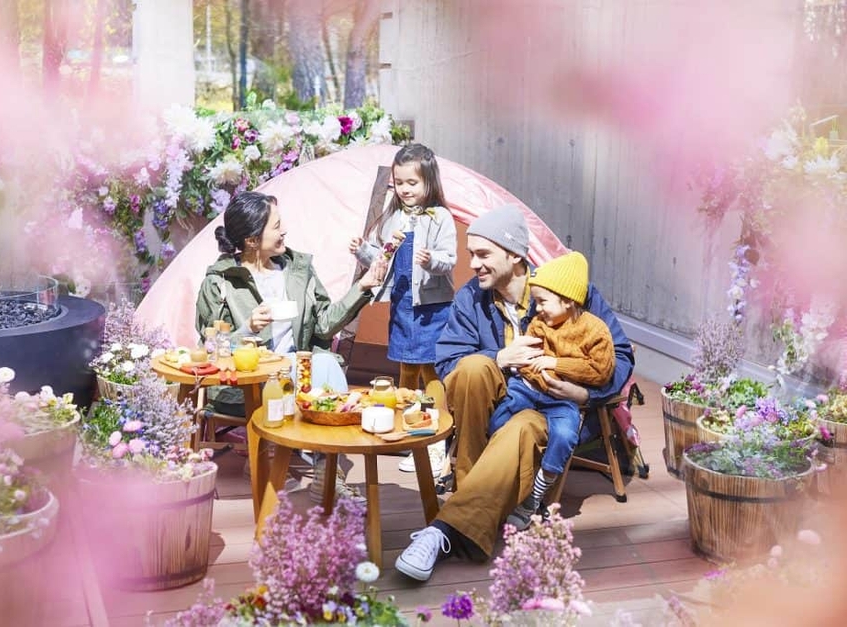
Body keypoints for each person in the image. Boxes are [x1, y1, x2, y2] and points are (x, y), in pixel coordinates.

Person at [393, 203, 634, 582]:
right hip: (493, 405)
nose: (473, 264)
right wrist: (501, 357)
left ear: (515, 255)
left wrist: (585, 395)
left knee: (522, 428)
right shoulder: (471, 298)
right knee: (473, 368)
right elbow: (448, 362)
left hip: (548, 408)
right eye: (471, 254)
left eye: (483, 254)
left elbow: (619, 355)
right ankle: (472, 506)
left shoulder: (568, 290)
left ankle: (444, 529)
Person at [195, 191, 387, 503]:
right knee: (310, 369)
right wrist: (248, 328)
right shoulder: (221, 282)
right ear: (252, 240)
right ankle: (281, 458)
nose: (284, 231)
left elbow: (323, 325)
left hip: (298, 370)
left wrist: (361, 288)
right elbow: (210, 346)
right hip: (249, 380)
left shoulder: (298, 270)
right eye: (276, 226)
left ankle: (327, 474)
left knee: (325, 363)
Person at [349, 144, 456, 478]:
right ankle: (410, 431)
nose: (406, 189)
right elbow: (383, 259)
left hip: (431, 306)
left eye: (413, 182)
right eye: (399, 183)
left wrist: (431, 260)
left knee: (431, 370)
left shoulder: (440, 217)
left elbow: (449, 259)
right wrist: (363, 251)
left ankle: (435, 439)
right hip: (403, 302)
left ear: (429, 182)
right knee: (406, 368)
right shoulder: (394, 216)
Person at [487, 250, 615, 530]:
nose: (537, 309)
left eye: (542, 301)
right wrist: (543, 377)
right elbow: (528, 362)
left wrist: (556, 364)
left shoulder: (596, 331)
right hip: (529, 388)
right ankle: (499, 477)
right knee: (499, 418)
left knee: (566, 435)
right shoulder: (539, 324)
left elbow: (600, 371)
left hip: (563, 399)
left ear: (567, 300)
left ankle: (534, 496)